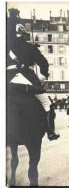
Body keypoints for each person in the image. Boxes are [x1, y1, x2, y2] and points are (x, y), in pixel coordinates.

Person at [7, 8, 60, 140]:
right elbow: (43, 63)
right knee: (47, 104)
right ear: (23, 33)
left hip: (6, 80)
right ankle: (50, 131)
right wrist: (42, 76)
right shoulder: (29, 47)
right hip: (27, 79)